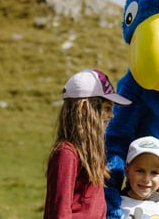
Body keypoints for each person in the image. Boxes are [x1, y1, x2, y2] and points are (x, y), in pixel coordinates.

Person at [44, 69, 132, 219]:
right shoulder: (66, 154)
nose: (111, 115)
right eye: (106, 108)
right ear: (84, 108)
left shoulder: (90, 153)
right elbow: (60, 212)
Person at [120, 136, 159, 218]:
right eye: (140, 171)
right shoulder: (116, 203)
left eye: (154, 172)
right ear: (127, 171)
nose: (146, 179)